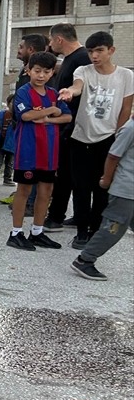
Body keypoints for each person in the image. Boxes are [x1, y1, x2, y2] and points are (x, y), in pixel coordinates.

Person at [56, 31, 134, 250]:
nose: (94, 56)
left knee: (102, 188)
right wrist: (70, 92)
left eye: (99, 50)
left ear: (111, 50)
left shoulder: (126, 76)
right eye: (91, 51)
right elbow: (77, 86)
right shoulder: (84, 70)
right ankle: (81, 232)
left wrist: (118, 136)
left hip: (108, 138)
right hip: (81, 138)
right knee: (81, 188)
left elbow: (126, 108)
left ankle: (95, 230)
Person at [6, 52, 72, 251]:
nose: (41, 75)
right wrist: (51, 110)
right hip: (28, 150)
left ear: (52, 73)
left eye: (46, 71)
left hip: (49, 152)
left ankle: (37, 231)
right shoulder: (23, 91)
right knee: (24, 190)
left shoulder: (53, 93)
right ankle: (16, 233)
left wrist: (48, 118)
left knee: (46, 191)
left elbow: (67, 117)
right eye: (37, 71)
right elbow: (26, 115)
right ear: (29, 70)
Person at [71, 118, 134, 280]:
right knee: (113, 228)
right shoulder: (130, 128)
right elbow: (113, 155)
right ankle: (84, 260)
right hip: (125, 190)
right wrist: (106, 179)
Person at [43, 23, 89, 230]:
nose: (50, 43)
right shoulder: (70, 59)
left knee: (66, 173)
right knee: (68, 173)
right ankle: (75, 215)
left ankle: (56, 216)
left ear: (59, 39)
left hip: (75, 125)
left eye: (51, 39)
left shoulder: (82, 59)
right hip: (67, 123)